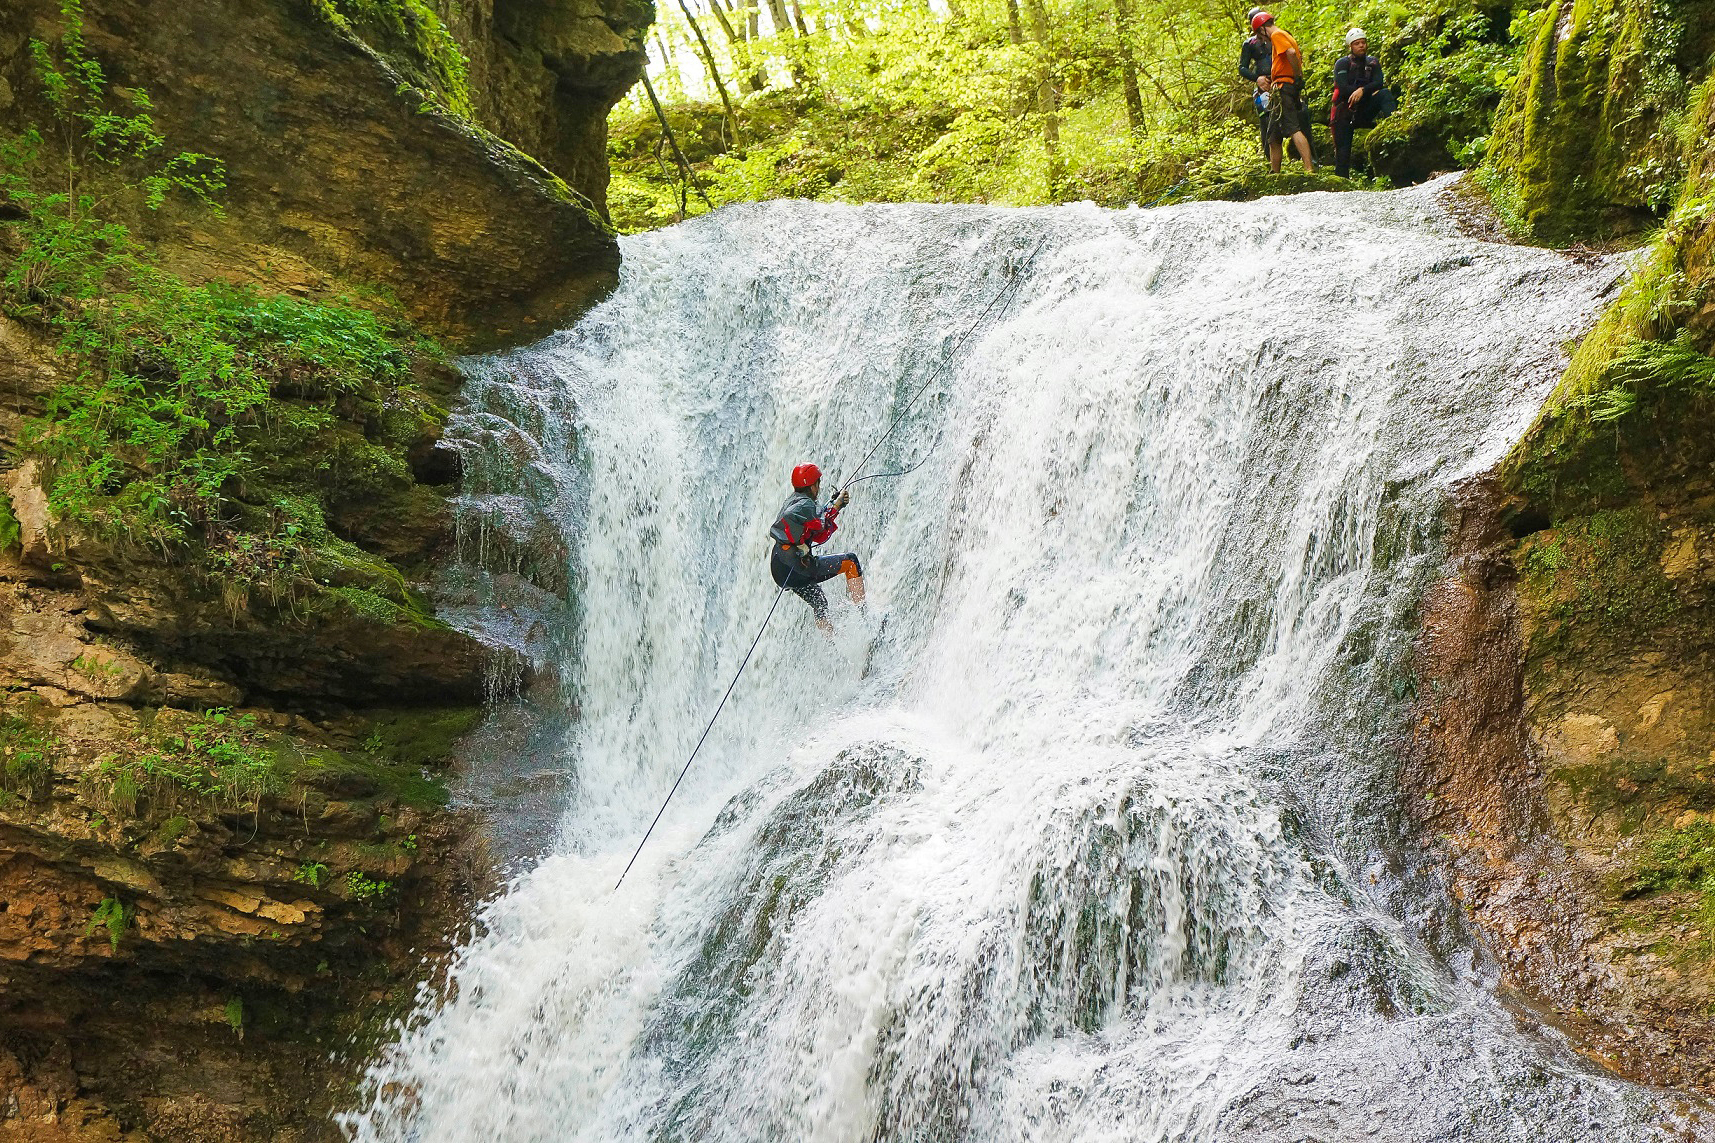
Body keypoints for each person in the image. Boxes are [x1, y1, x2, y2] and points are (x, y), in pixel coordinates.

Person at [769, 463, 866, 636]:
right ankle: (864, 618)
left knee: (819, 601)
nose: (819, 488)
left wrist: (833, 506)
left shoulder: (793, 500)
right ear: (813, 485)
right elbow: (821, 533)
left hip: (779, 567)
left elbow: (813, 523)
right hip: (796, 566)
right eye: (818, 484)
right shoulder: (806, 506)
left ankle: (830, 644)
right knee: (851, 562)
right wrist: (837, 507)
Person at [1252, 12, 1313, 174]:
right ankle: (1275, 172)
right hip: (1281, 87)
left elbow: (1291, 54)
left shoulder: (1277, 35)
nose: (1260, 39)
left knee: (1293, 127)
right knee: (1273, 135)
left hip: (1284, 87)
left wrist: (1296, 75)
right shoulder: (1284, 35)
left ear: (1263, 29)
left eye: (1259, 34)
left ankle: (1309, 168)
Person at [1330, 28, 1385, 178]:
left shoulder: (1373, 62)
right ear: (1350, 47)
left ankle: (1392, 122)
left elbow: (1379, 83)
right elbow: (1342, 88)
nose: (1361, 46)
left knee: (1385, 95)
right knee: (1343, 153)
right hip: (1345, 113)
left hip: (1364, 110)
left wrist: (1362, 90)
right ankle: (1341, 184)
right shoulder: (1342, 64)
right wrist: (1361, 91)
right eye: (1357, 44)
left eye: (1363, 43)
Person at [1237, 8, 1274, 159]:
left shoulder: (1277, 36)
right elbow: (1242, 68)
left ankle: (1309, 159)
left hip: (1282, 80)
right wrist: (1256, 79)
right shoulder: (1250, 43)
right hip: (1262, 85)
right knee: (1265, 120)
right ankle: (1269, 159)